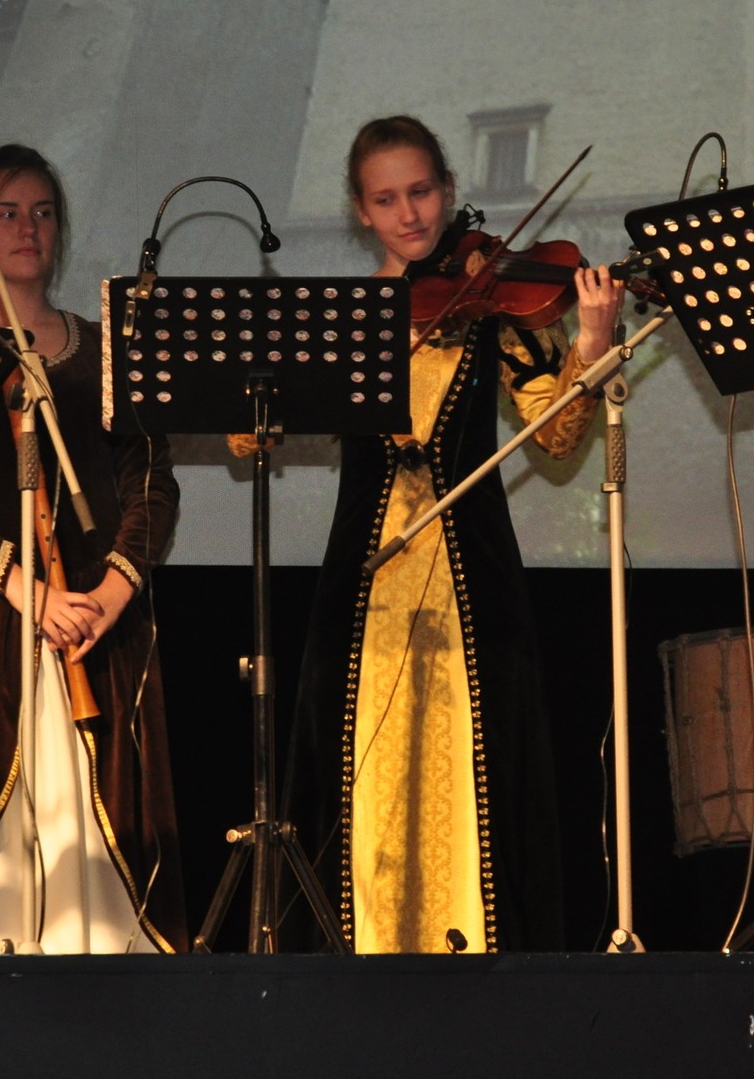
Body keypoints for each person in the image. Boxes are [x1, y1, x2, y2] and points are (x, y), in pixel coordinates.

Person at [286, 116, 619, 953]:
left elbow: (556, 435)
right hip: (362, 585)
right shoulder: (343, 317)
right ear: (360, 209)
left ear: (448, 188)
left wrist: (592, 339)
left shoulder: (494, 305)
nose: (409, 214)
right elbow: (246, 435)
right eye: (386, 199)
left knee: (477, 770)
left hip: (475, 580)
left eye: (422, 191)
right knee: (358, 767)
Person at [0, 144, 186, 954]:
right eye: (7, 212)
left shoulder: (106, 349)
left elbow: (152, 481)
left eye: (44, 212)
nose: (29, 227)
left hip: (97, 619)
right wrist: (23, 586)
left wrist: (111, 594)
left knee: (93, 827)